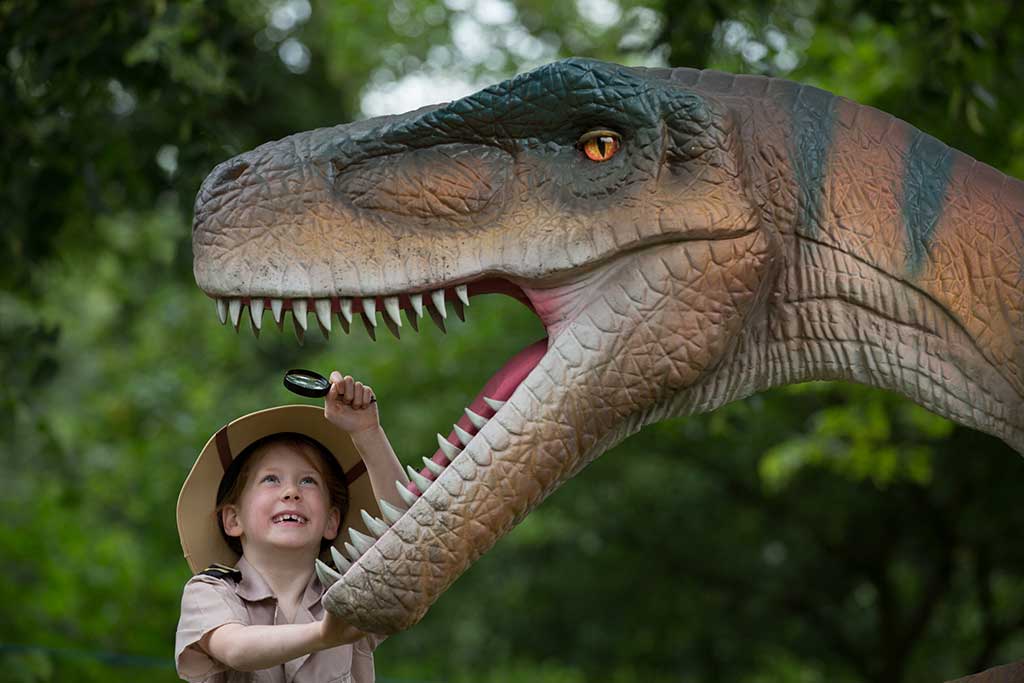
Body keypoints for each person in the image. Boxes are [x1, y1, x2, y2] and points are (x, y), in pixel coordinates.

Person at [174, 372, 410, 682]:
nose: (291, 492)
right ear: (233, 519)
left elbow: (412, 540)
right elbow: (235, 648)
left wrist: (368, 432)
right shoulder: (211, 591)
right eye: (271, 479)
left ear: (331, 521)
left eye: (308, 481)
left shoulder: (352, 592)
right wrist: (324, 634)